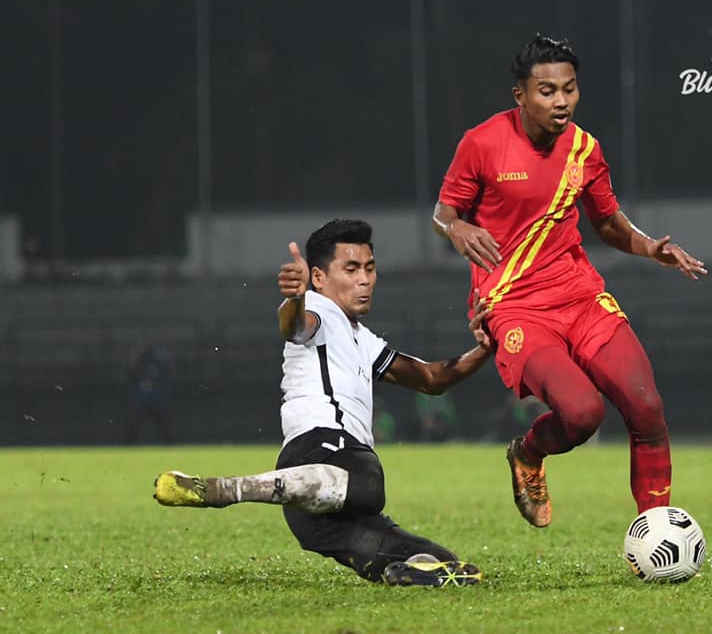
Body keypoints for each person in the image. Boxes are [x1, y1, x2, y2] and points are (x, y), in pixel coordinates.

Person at [432, 35, 707, 528]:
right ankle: (528, 454)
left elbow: (606, 223)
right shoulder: (482, 143)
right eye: (546, 91)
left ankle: (657, 535)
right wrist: (457, 228)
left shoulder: (584, 149)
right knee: (581, 415)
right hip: (514, 305)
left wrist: (650, 247)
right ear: (521, 95)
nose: (561, 101)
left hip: (579, 296)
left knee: (647, 408)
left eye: (569, 89)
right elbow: (444, 213)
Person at [153, 219, 491, 586]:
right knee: (369, 482)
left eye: (369, 268)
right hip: (324, 450)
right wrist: (295, 298)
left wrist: (486, 348)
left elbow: (431, 379)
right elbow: (294, 326)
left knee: (445, 565)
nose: (364, 279)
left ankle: (400, 573)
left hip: (318, 507)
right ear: (318, 277)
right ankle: (228, 489)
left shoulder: (363, 338)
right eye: (351, 268)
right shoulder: (317, 310)